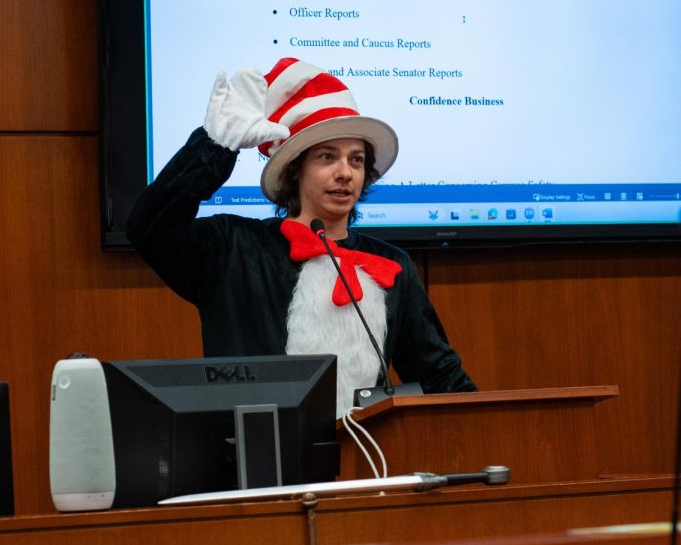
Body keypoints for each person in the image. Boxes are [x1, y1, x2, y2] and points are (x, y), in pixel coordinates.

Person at [127, 58, 475, 414]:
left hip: (369, 460)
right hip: (258, 462)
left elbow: (442, 378)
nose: (345, 173)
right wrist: (213, 149)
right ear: (295, 171)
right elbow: (149, 228)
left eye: (356, 160)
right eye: (327, 157)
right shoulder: (233, 247)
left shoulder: (392, 265)